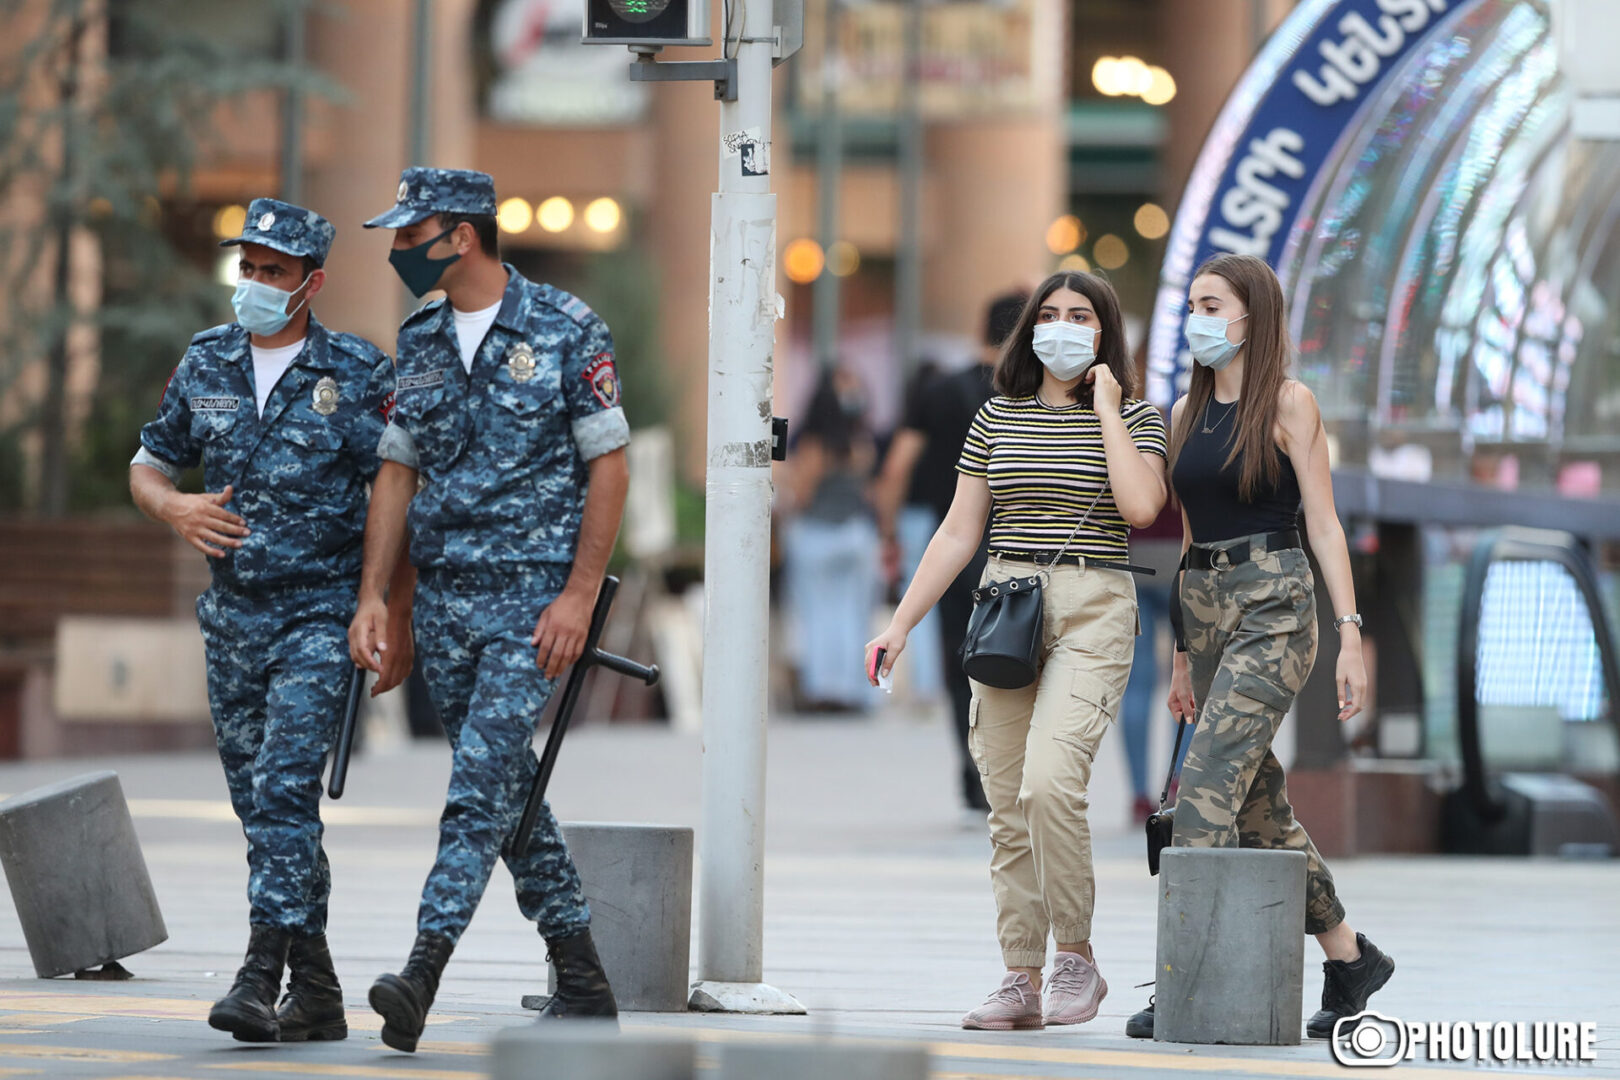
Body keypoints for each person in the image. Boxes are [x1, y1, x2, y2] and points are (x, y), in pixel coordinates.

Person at [348, 168, 630, 1052]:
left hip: (531, 602)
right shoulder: (421, 336)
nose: (397, 249)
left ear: (460, 235)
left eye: (409, 232)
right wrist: (379, 600)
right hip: (445, 603)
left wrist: (580, 596)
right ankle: (582, 974)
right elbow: (398, 473)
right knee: (505, 789)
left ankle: (421, 970)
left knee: (474, 791)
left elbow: (609, 466)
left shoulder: (564, 326)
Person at [129, 198, 405, 1043]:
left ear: (310, 283)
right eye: (245, 268)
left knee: (286, 789)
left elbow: (396, 490)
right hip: (234, 620)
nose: (252, 283)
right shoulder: (207, 360)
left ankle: (258, 976)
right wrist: (174, 507)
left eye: (272, 272)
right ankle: (317, 992)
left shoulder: (356, 373)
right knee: (263, 810)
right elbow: (148, 463)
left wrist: (379, 601)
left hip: (317, 615)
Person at [866, 271, 1167, 1030]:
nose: (1063, 326)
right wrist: (899, 625)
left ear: (1105, 335)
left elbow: (1141, 506)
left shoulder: (1138, 416)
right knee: (1006, 804)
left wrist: (1105, 409)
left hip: (1094, 607)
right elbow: (958, 530)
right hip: (1005, 609)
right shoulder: (996, 416)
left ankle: (1078, 958)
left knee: (1048, 784)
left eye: (1081, 316)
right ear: (1029, 329)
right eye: (1051, 315)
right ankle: (1020, 976)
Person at [1123, 252, 1393, 1040]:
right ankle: (1350, 959)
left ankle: (1187, 977)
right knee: (1257, 805)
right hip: (1205, 609)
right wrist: (1180, 652)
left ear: (1252, 315)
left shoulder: (1289, 403)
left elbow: (1324, 522)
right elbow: (1189, 540)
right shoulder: (1184, 411)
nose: (1197, 318)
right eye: (1194, 304)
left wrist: (1349, 635)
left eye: (1213, 304)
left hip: (1276, 604)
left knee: (1203, 788)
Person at [874, 291, 1028, 811]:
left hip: (951, 546)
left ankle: (973, 769)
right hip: (1016, 549)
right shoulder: (1030, 395)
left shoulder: (938, 391)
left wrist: (889, 533)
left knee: (958, 659)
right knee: (1016, 655)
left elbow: (897, 466)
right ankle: (1005, 767)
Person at [782, 367, 882, 713]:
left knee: (818, 613)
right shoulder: (860, 442)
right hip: (856, 534)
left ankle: (825, 688)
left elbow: (801, 494)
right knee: (854, 615)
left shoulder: (812, 444)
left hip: (817, 534)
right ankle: (857, 688)